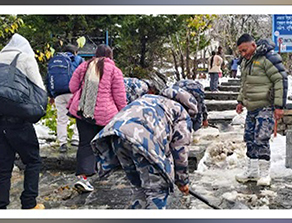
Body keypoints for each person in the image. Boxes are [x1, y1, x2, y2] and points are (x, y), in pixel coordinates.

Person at [92, 80, 206, 210]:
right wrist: (182, 180)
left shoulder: (151, 99)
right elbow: (180, 150)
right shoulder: (180, 112)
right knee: (157, 191)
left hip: (116, 136)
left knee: (139, 187)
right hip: (143, 143)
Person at [0, 32, 46, 209]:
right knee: (32, 161)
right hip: (18, 119)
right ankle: (29, 203)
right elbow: (38, 86)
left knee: (2, 168)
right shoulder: (24, 58)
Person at [68, 44, 127, 194]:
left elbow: (72, 87)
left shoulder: (84, 66)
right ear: (110, 56)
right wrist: (124, 113)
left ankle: (83, 178)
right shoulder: (114, 70)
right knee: (106, 143)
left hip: (83, 111)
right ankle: (106, 171)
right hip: (105, 115)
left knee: (85, 144)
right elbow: (119, 96)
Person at [235, 34, 287, 187]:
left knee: (261, 138)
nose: (243, 54)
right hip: (251, 107)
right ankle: (251, 171)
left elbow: (280, 80)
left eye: (244, 50)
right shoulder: (246, 61)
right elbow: (244, 83)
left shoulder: (268, 58)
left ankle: (264, 174)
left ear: (253, 45)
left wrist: (279, 106)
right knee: (249, 138)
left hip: (266, 106)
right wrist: (240, 101)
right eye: (240, 51)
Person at [46, 43, 82, 148]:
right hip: (73, 92)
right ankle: (76, 139)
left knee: (62, 119)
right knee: (79, 116)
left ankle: (62, 142)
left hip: (58, 94)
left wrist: (51, 95)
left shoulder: (54, 60)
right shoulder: (77, 59)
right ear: (75, 52)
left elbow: (48, 78)